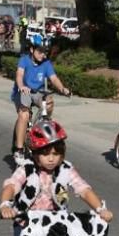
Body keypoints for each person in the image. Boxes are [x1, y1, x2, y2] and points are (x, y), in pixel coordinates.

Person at [11, 35, 71, 166]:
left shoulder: (46, 63)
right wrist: (21, 86)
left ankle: (40, 124)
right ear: (32, 49)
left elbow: (54, 78)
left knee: (49, 102)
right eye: (40, 51)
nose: (43, 54)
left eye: (45, 51)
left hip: (37, 92)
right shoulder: (24, 60)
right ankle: (19, 150)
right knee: (24, 115)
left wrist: (62, 89)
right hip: (23, 91)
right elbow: (19, 75)